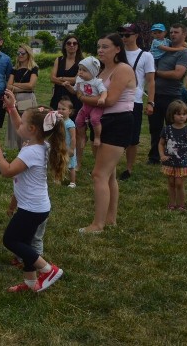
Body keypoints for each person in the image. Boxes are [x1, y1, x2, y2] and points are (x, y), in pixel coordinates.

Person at [0, 104, 67, 293]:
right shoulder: (40, 144)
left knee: (11, 241)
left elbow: (7, 171)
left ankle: (48, 270)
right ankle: (31, 283)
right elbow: (20, 127)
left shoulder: (31, 151)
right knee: (25, 244)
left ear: (32, 129)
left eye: (23, 122)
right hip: (37, 207)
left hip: (32, 209)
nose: (18, 126)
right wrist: (11, 107)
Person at [78, 33, 136, 233]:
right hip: (102, 122)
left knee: (98, 174)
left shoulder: (123, 69)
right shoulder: (102, 71)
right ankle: (110, 219)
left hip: (118, 122)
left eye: (105, 46)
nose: (100, 50)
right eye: (99, 47)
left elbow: (109, 101)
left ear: (118, 49)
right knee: (108, 174)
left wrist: (81, 98)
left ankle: (97, 225)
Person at [148, 24, 187, 164]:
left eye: (177, 32)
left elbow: (177, 74)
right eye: (171, 32)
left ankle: (176, 156)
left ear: (184, 34)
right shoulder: (164, 46)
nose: (173, 35)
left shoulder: (184, 53)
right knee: (155, 128)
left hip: (172, 95)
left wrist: (155, 73)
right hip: (156, 94)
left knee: (174, 128)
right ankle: (154, 157)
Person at [117, 23, 155, 180]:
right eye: (122, 35)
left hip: (135, 101)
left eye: (127, 35)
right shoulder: (117, 53)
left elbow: (151, 81)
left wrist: (151, 102)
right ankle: (110, 165)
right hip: (116, 99)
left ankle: (128, 169)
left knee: (133, 138)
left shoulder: (146, 56)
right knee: (115, 135)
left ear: (136, 35)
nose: (124, 38)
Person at [159, 100, 187, 212]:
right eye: (178, 114)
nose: (182, 117)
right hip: (169, 163)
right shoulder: (167, 130)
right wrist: (162, 155)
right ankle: (172, 204)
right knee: (171, 183)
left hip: (183, 163)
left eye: (184, 114)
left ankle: (181, 205)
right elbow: (161, 144)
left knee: (179, 183)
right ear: (171, 115)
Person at [71, 56, 107, 154]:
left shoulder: (97, 81)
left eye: (84, 70)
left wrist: (102, 98)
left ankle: (97, 137)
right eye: (79, 69)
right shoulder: (79, 80)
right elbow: (74, 91)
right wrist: (67, 86)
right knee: (78, 121)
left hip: (96, 106)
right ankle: (83, 137)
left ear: (93, 72)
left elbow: (104, 91)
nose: (80, 72)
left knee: (94, 119)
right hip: (86, 105)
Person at [6, 44, 39, 149]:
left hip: (28, 99)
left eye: (22, 53)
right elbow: (8, 86)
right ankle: (21, 151)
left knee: (28, 125)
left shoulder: (33, 68)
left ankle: (30, 150)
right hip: (16, 99)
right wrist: (22, 87)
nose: (20, 55)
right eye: (18, 53)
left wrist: (15, 85)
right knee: (17, 126)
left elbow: (31, 85)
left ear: (28, 54)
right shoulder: (14, 68)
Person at [50, 35, 84, 114]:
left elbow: (76, 80)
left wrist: (60, 78)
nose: (72, 45)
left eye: (74, 43)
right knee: (56, 122)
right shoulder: (58, 60)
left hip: (74, 97)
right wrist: (65, 82)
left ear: (78, 46)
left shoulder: (82, 62)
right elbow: (52, 78)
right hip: (58, 97)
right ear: (65, 46)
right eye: (69, 43)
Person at [57, 98, 78, 188]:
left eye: (63, 109)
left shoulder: (70, 123)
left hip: (68, 147)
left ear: (70, 111)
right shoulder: (58, 121)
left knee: (71, 166)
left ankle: (72, 182)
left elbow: (73, 137)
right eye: (59, 108)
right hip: (60, 146)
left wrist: (72, 149)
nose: (60, 111)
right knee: (59, 163)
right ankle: (58, 179)